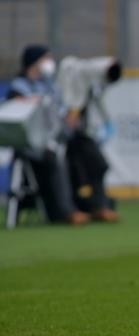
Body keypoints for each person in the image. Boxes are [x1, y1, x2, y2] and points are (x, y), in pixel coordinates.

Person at [6, 44, 90, 225]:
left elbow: (60, 115)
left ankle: (92, 205)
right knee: (54, 159)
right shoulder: (18, 88)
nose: (50, 63)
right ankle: (64, 211)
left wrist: (70, 120)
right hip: (31, 145)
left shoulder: (50, 87)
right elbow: (16, 121)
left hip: (54, 139)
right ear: (33, 62)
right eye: (46, 58)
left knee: (85, 150)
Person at [56, 56, 122, 222]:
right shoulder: (81, 73)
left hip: (81, 130)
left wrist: (105, 122)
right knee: (91, 167)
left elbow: (95, 100)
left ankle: (96, 207)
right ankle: (87, 208)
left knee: (92, 168)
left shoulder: (94, 77)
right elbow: (75, 98)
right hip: (70, 128)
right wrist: (74, 111)